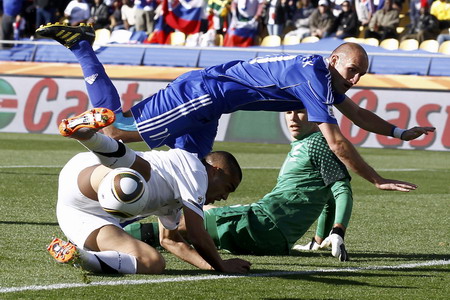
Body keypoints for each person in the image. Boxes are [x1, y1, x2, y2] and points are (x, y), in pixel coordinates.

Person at [35, 23, 435, 193]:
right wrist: (375, 179)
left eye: (362, 74)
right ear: (334, 59)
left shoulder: (322, 75)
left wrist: (400, 133)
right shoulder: (313, 77)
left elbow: (358, 114)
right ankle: (84, 46)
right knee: (115, 132)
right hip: (201, 94)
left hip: (213, 106)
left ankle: (175, 232)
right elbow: (337, 142)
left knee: (190, 170)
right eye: (352, 70)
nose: (356, 79)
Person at [125, 109, 354, 261]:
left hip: (263, 225)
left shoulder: (317, 144)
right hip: (270, 230)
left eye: (301, 112)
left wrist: (338, 230)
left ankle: (110, 237)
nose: (293, 118)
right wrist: (318, 240)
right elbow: (328, 197)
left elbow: (341, 190)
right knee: (207, 211)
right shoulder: (306, 143)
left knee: (181, 225)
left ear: (317, 115)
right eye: (288, 112)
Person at [48, 108, 251, 274]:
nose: (225, 196)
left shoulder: (178, 199)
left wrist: (209, 265)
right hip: (92, 174)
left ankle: (79, 256)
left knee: (153, 262)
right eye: (228, 188)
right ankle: (86, 135)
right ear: (215, 171)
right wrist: (222, 265)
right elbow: (196, 234)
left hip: (75, 213)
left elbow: (170, 241)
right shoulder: (195, 169)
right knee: (137, 177)